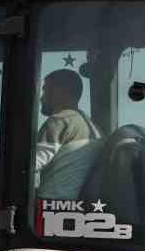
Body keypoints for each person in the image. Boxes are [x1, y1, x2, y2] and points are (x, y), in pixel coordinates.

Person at [32, 67, 101, 200]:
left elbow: (29, 165)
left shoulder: (60, 121)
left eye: (45, 90)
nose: (41, 98)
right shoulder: (94, 128)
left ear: (60, 92)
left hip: (49, 205)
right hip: (71, 206)